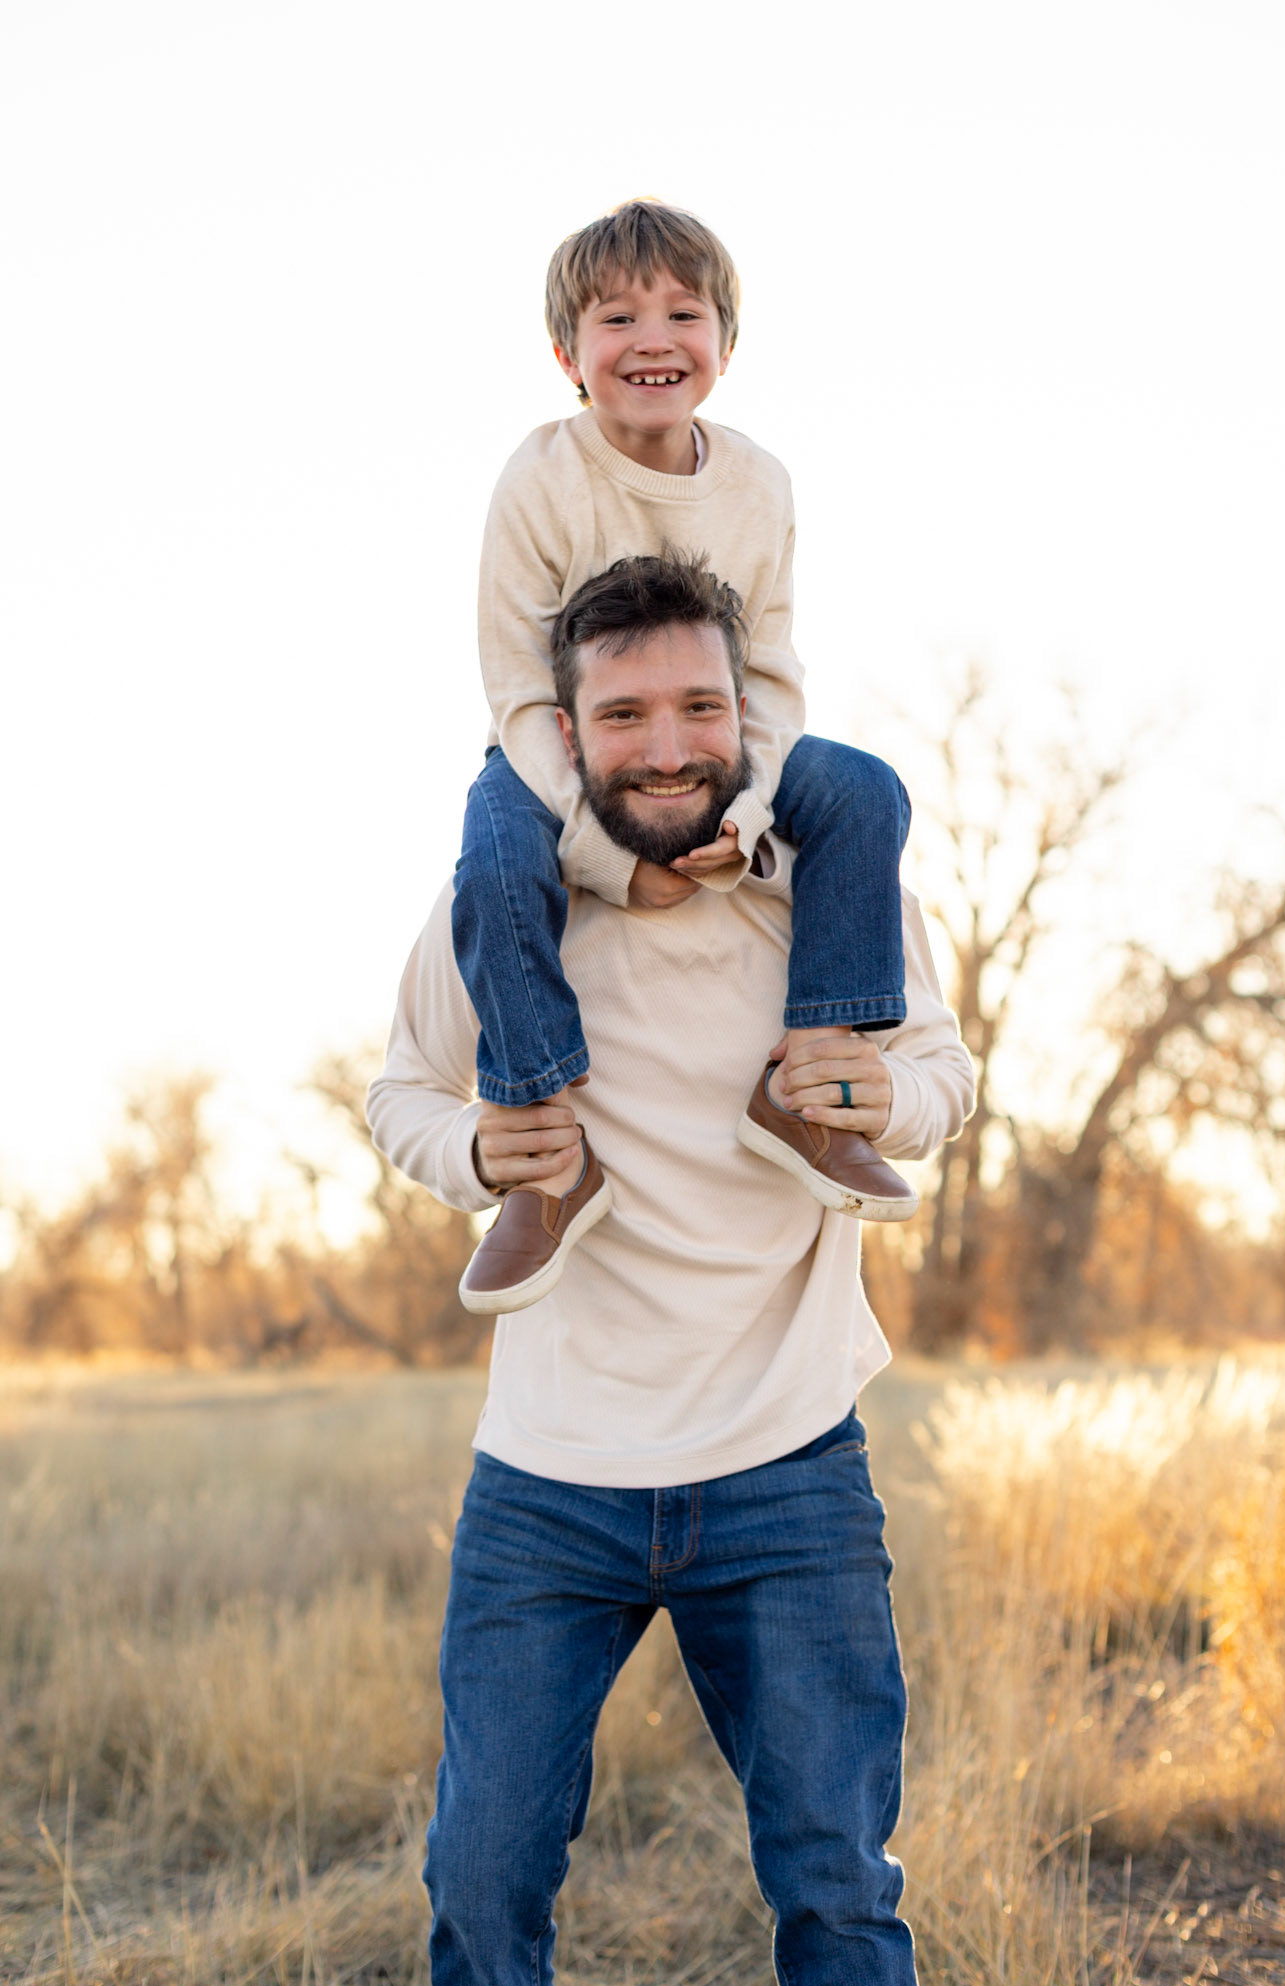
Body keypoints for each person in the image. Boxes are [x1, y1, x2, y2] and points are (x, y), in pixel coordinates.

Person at [367, 552, 976, 1986]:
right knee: (480, 1880)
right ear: (563, 734)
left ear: (749, 710)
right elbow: (401, 1094)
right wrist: (475, 1152)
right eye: (625, 713)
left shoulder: (829, 895)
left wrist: (881, 1097)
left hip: (788, 1463)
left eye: (700, 705)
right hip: (550, 1480)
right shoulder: (503, 913)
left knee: (838, 1884)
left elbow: (943, 1074)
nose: (667, 746)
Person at [454, 197, 917, 1314]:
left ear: (725, 341)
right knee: (493, 856)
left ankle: (809, 1082)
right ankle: (548, 1153)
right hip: (563, 758)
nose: (652, 339)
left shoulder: (759, 487)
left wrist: (746, 816)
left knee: (863, 791)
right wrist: (604, 854)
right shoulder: (540, 480)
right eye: (617, 318)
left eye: (682, 313)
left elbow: (773, 678)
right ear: (567, 353)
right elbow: (519, 689)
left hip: (725, 754)